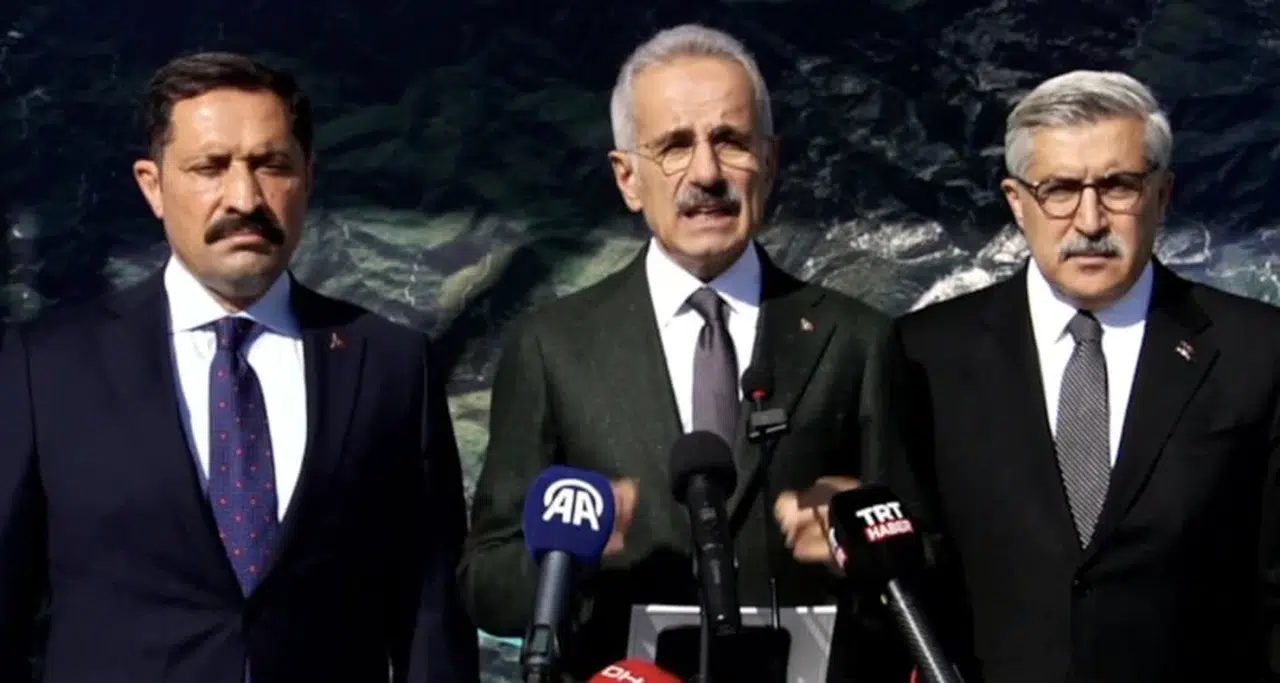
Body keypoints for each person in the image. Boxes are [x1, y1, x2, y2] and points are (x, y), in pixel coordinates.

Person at [779, 70, 1280, 682]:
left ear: (1163, 194)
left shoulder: (1257, 351)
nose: (1089, 220)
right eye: (1060, 190)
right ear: (1017, 202)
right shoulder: (924, 355)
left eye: (1118, 186)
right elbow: (902, 588)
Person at [0, 52, 479, 683]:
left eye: (271, 165)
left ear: (308, 176)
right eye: (210, 167)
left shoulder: (389, 363)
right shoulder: (47, 367)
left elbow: (430, 612)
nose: (245, 197)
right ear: (152, 185)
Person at [459, 24, 908, 682]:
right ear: (627, 178)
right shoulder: (551, 348)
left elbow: (928, 556)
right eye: (674, 146)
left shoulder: (857, 340)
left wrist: (863, 542)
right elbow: (485, 581)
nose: (706, 173)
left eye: (730, 141)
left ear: (771, 161)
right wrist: (565, 560)